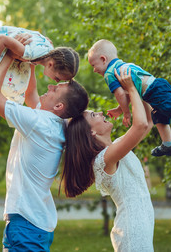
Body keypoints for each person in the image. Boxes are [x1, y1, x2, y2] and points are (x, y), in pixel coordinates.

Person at [0, 50, 89, 251]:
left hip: (26, 225)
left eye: (55, 89)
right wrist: (31, 59)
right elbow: (31, 94)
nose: (49, 86)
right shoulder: (55, 124)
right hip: (32, 223)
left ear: (58, 105)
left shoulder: (39, 123)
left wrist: (8, 56)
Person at [61, 67, 155, 251]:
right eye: (95, 115)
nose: (102, 113)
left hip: (140, 225)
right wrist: (131, 90)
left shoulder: (116, 149)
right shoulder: (103, 159)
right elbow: (141, 124)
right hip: (132, 229)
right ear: (91, 131)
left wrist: (133, 90)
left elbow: (149, 121)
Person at [87, 39, 171, 157]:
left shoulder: (109, 74)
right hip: (156, 88)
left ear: (103, 59)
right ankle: (168, 144)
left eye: (94, 65)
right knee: (159, 117)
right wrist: (119, 109)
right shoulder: (122, 66)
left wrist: (126, 113)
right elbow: (129, 93)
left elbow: (120, 94)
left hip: (154, 90)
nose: (94, 70)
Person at [0, 10, 79, 105]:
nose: (56, 81)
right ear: (51, 64)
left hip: (4, 44)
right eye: (57, 78)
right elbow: (2, 40)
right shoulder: (31, 54)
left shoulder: (48, 50)